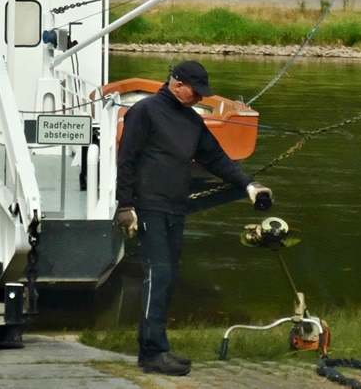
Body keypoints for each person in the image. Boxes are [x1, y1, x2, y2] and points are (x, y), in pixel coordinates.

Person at [115, 60, 273, 376]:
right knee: (157, 276)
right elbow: (127, 159)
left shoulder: (190, 120)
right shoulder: (144, 111)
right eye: (196, 92)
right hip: (149, 207)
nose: (200, 98)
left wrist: (248, 184)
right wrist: (125, 207)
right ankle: (152, 354)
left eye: (203, 94)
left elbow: (215, 158)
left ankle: (155, 348)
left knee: (169, 278)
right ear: (177, 84)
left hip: (176, 207)